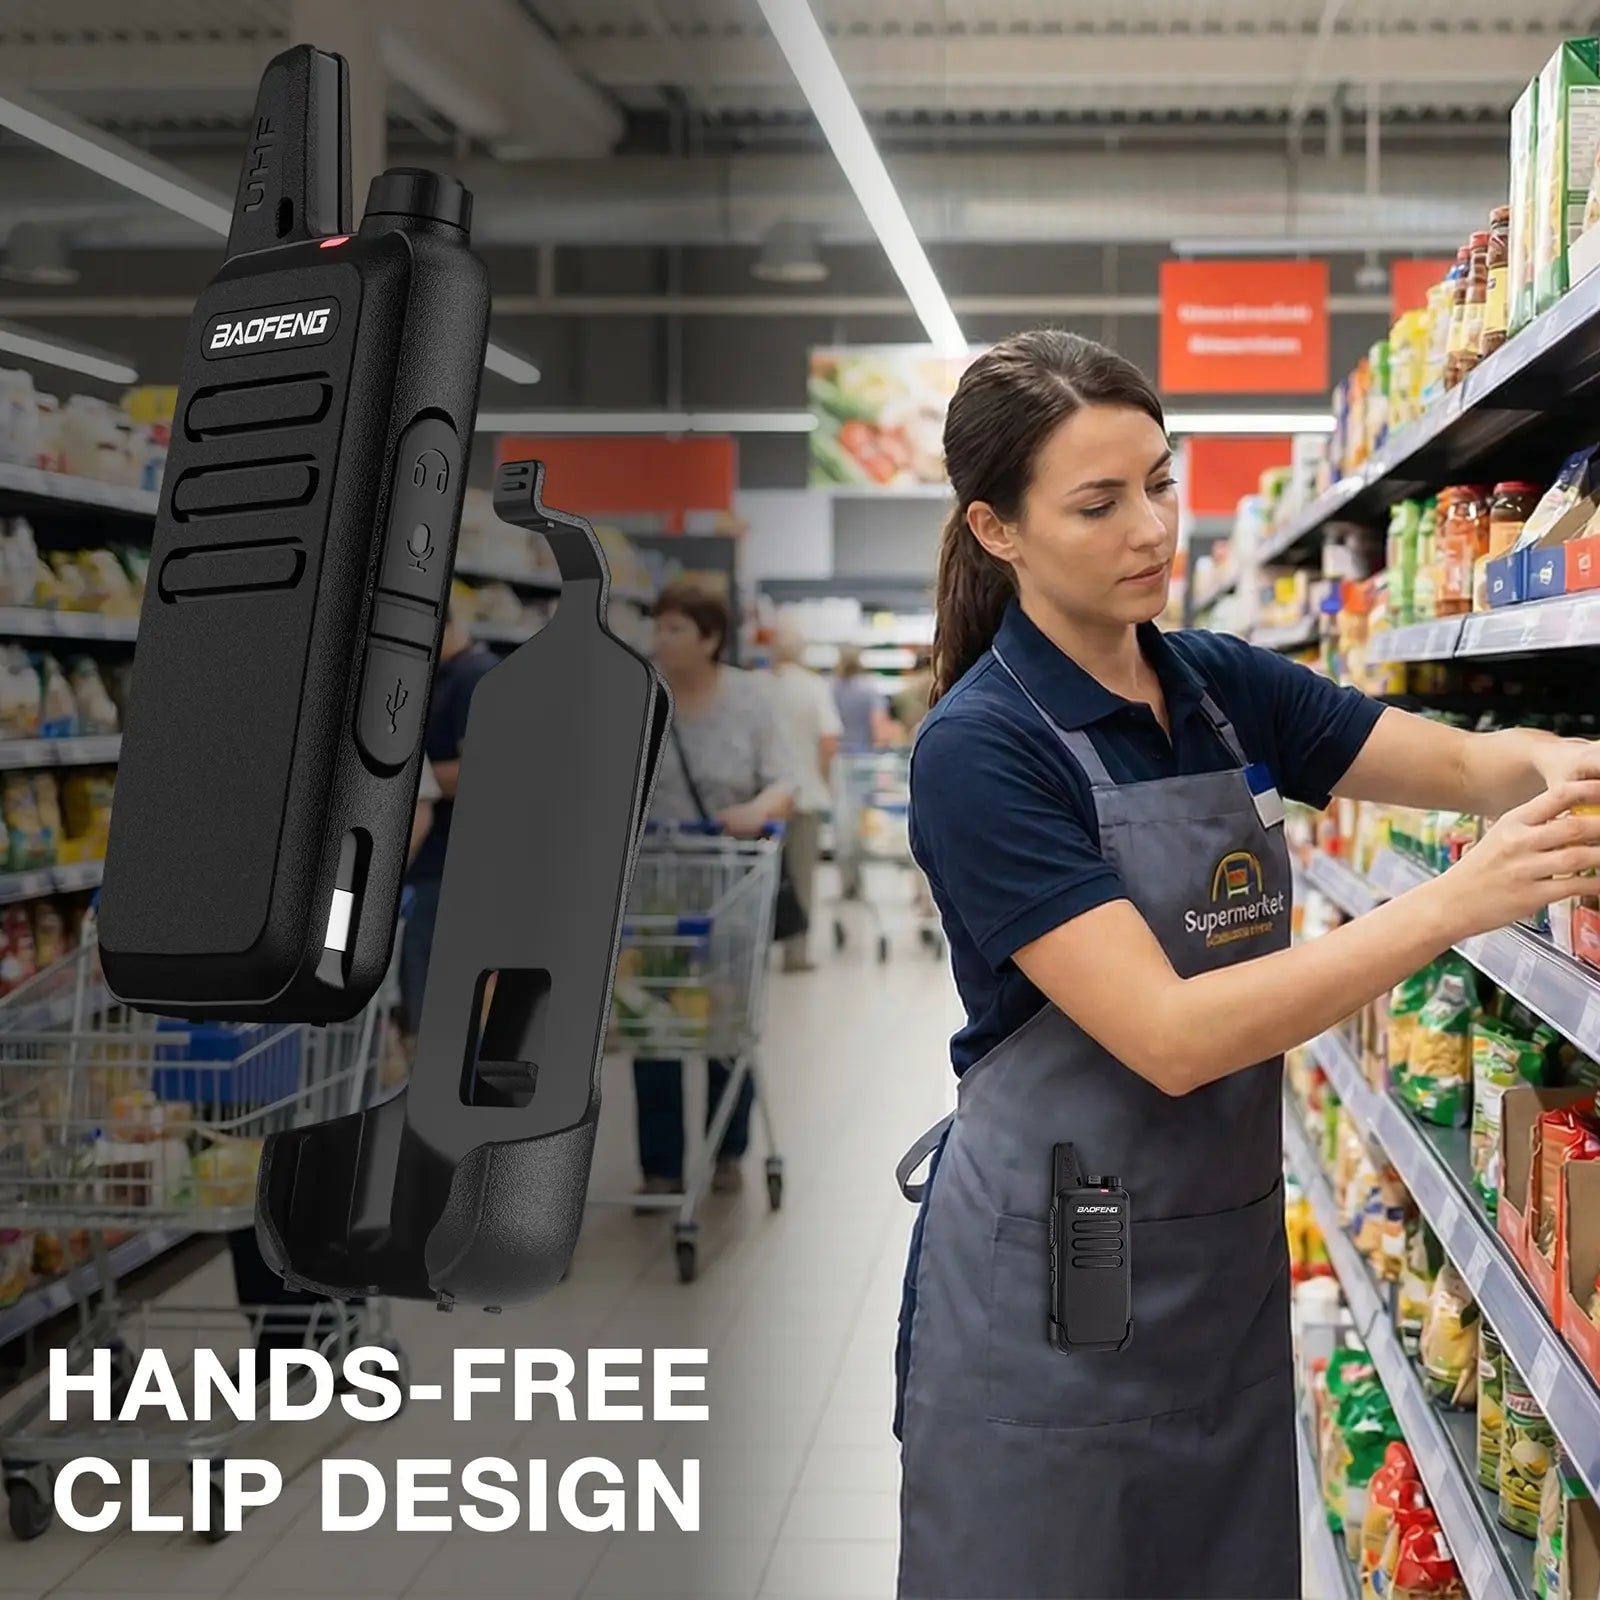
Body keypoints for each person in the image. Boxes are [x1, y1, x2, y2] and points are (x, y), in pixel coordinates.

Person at [894, 329, 1600, 1600]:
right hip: (1053, 1277)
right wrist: (1452, 903)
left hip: (1213, 1269)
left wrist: (1554, 763)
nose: (1151, 527)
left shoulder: (1214, 686)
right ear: (995, 530)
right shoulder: (982, 749)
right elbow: (1169, 1033)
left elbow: (1458, 765)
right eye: (1098, 503)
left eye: (1160, 482)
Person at [636, 581, 796, 1196]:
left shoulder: (751, 700)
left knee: (724, 1019)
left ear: (710, 638)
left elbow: (785, 780)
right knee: (650, 1019)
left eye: (676, 628)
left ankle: (726, 1149)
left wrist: (757, 810)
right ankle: (660, 1164)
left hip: (730, 882)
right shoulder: (641, 695)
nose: (662, 639)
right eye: (659, 626)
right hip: (651, 883)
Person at [399, 586, 498, 1044]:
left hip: (451, 867)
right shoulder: (442, 676)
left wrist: (406, 779)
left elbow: (485, 770)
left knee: (439, 1001)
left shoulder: (477, 677)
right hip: (431, 866)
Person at [763, 622, 841, 972]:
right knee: (801, 876)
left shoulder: (756, 686)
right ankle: (797, 952)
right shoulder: (812, 687)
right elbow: (828, 740)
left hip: (763, 799)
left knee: (761, 877)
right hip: (806, 794)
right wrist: (824, 781)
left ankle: (756, 950)